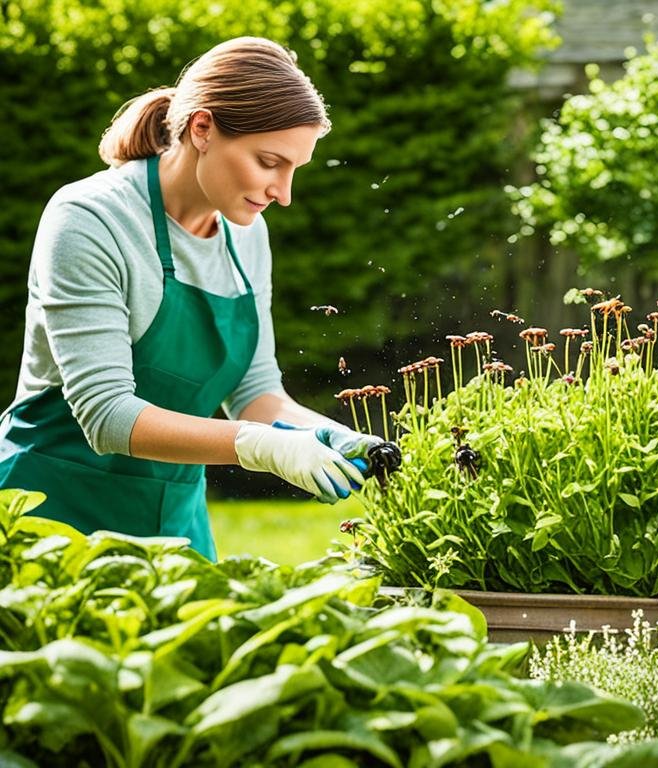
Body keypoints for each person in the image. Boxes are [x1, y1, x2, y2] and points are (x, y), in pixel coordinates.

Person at [0, 37, 384, 560]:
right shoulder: (90, 219)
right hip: (52, 522)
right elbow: (106, 415)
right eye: (269, 162)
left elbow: (256, 392)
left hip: (176, 529)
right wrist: (259, 445)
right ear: (202, 129)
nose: (284, 192)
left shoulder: (246, 231)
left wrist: (340, 439)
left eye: (295, 168)